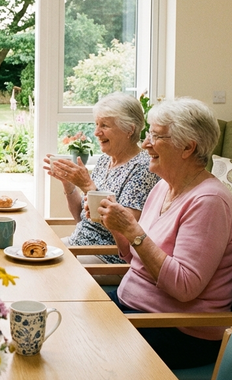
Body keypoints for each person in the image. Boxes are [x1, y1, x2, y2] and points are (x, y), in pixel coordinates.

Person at [93, 97, 232, 369]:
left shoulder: (208, 202)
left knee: (82, 348)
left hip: (179, 332)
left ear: (187, 147)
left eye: (156, 136)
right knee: (70, 317)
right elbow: (133, 257)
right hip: (138, 310)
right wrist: (117, 227)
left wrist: (132, 230)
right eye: (148, 134)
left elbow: (184, 287)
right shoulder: (164, 187)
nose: (146, 143)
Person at [43, 92, 159, 264]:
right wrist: (68, 184)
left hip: (108, 256)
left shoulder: (143, 169)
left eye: (104, 125)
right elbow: (81, 219)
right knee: (33, 257)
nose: (96, 132)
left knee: (48, 270)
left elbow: (127, 235)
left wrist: (88, 186)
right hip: (80, 246)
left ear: (129, 129)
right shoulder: (105, 160)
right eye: (96, 124)